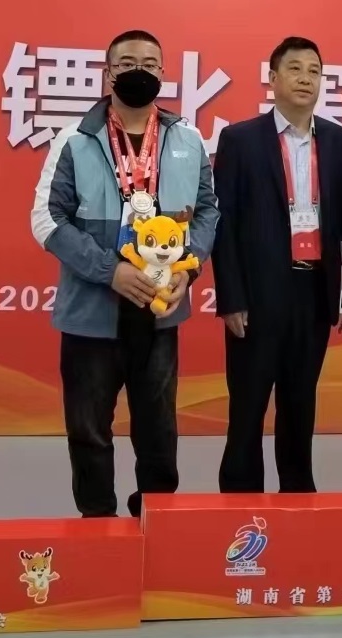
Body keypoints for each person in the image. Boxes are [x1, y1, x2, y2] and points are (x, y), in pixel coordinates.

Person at [30, 29, 219, 518]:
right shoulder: (74, 140)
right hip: (92, 312)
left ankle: (156, 522)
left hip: (160, 309)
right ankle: (97, 525)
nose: (140, 71)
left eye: (151, 64)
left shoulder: (187, 139)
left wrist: (188, 267)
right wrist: (109, 270)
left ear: (163, 73)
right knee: (89, 429)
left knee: (159, 429)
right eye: (128, 62)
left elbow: (207, 210)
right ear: (107, 73)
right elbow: (47, 219)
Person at [212, 36, 342, 494]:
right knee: (248, 406)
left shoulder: (338, 141)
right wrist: (231, 298)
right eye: (295, 69)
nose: (306, 79)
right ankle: (239, 504)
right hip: (257, 297)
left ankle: (298, 498)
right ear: (273, 78)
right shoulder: (240, 139)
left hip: (314, 292)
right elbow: (224, 224)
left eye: (314, 71)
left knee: (300, 404)